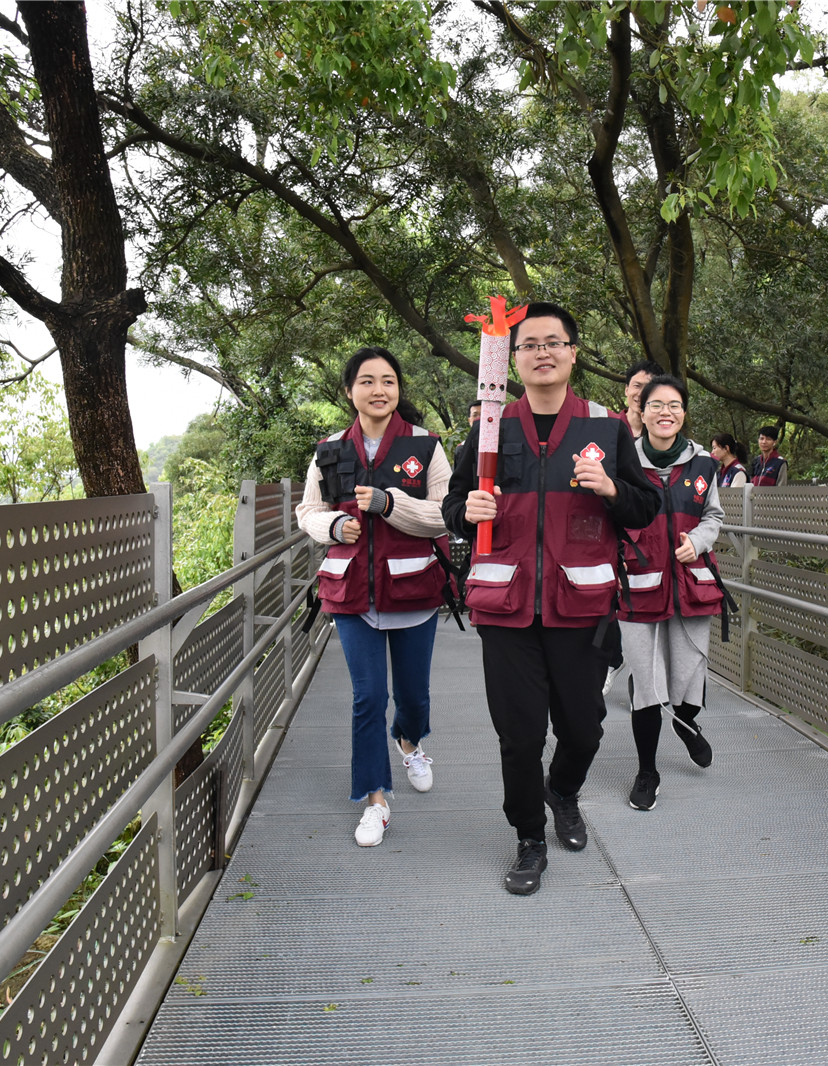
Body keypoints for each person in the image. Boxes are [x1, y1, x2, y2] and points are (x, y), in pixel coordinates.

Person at [444, 301, 660, 895]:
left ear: (572, 352)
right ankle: (529, 837)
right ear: (512, 359)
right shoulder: (491, 426)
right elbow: (453, 507)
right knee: (518, 734)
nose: (542, 352)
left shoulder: (606, 427)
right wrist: (466, 511)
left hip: (581, 606)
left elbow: (646, 510)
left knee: (584, 727)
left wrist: (614, 487)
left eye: (553, 342)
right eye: (529, 344)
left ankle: (562, 790)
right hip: (506, 606)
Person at [296, 347, 452, 848]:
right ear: (349, 391)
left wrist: (390, 504)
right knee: (368, 698)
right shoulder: (330, 450)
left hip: (412, 589)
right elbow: (308, 511)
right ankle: (375, 799)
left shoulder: (426, 447)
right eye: (367, 381)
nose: (379, 389)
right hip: (351, 592)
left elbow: (446, 515)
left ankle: (410, 741)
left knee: (412, 696)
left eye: (388, 380)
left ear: (399, 389)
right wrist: (332, 525)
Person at [618, 375, 725, 811]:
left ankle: (685, 724)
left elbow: (713, 516)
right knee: (646, 686)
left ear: (684, 412)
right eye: (656, 404)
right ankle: (647, 771)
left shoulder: (703, 464)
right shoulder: (623, 463)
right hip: (639, 589)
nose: (666, 412)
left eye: (675, 405)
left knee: (687, 680)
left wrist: (697, 541)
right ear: (640, 411)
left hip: (689, 587)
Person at [622, 360, 665, 439]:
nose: (641, 394)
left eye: (648, 388)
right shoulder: (611, 426)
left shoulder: (663, 431)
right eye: (637, 386)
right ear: (626, 390)